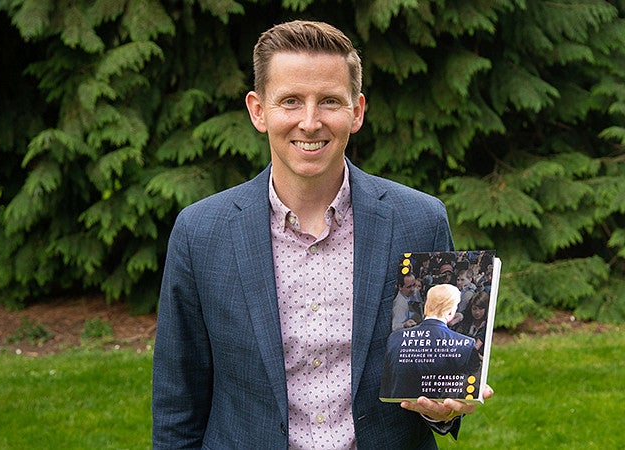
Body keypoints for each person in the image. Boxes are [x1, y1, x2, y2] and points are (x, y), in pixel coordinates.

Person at [152, 20, 492, 449]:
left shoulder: (418, 220)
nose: (309, 122)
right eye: (290, 101)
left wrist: (438, 408)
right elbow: (177, 403)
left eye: (329, 101)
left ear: (357, 111)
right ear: (259, 111)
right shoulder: (201, 233)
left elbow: (430, 379)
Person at [381, 284, 482, 400]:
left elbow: (386, 385)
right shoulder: (467, 345)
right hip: (442, 411)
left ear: (426, 307)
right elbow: (472, 391)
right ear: (450, 312)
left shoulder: (395, 338)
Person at [453, 291, 489, 358]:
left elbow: (477, 346)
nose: (477, 312)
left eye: (481, 309)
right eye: (474, 309)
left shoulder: (487, 326)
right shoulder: (466, 321)